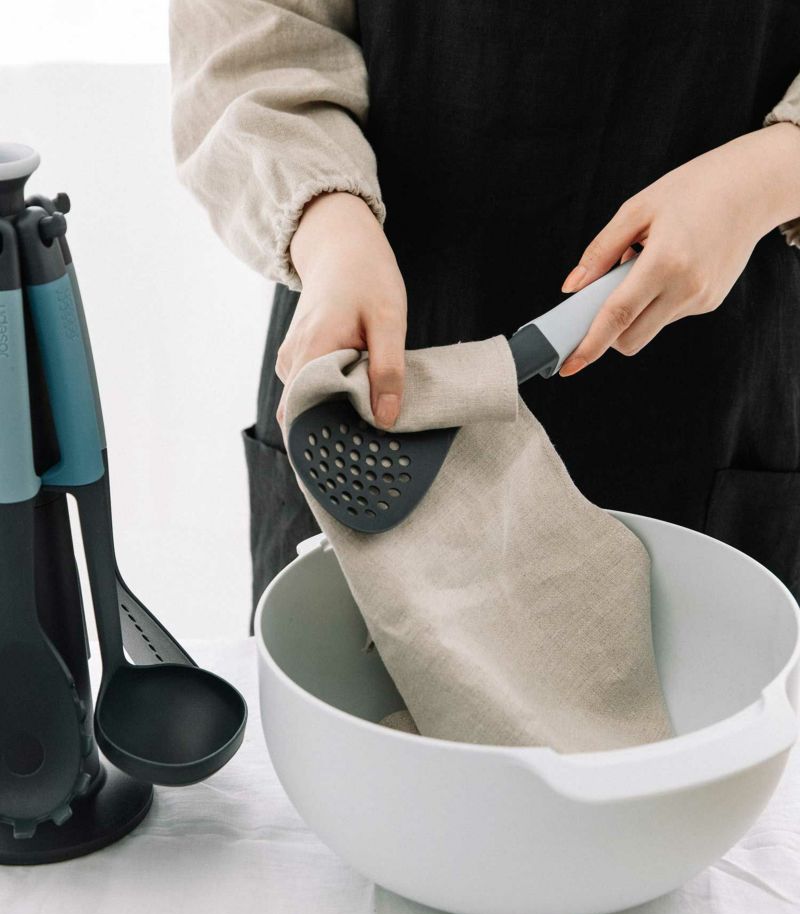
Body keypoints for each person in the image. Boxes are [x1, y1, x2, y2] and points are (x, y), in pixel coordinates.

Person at [169, 1, 800, 616]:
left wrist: (766, 176)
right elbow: (251, 31)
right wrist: (329, 228)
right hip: (366, 362)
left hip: (720, 379)